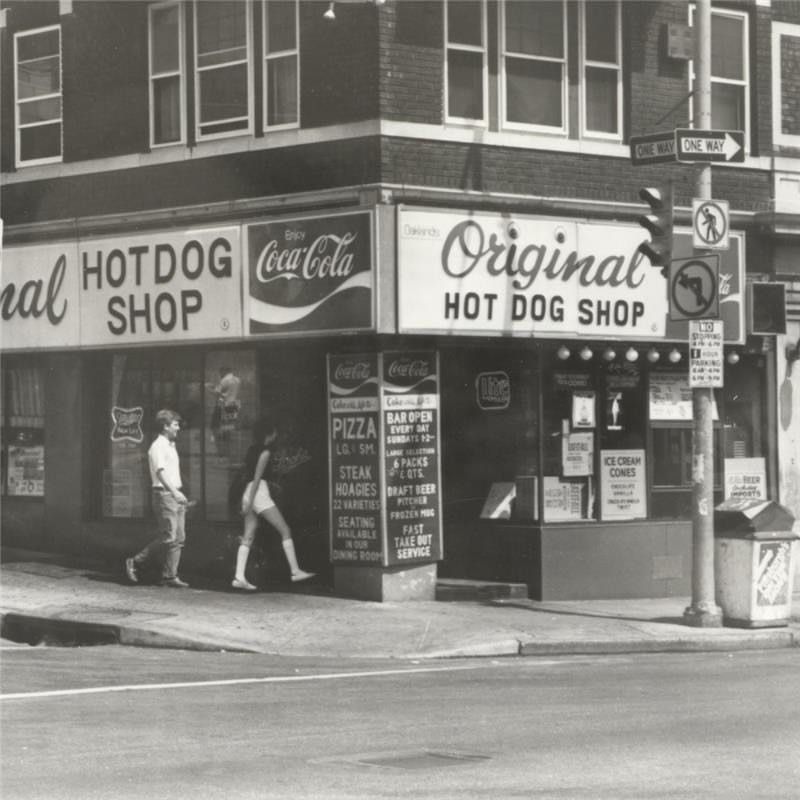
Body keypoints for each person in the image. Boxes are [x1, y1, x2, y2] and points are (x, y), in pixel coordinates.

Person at [232, 416, 315, 590]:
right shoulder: (265, 452)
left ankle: (239, 577)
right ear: (269, 434)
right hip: (258, 492)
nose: (277, 435)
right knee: (285, 529)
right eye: (275, 432)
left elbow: (248, 476)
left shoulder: (251, 450)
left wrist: (246, 501)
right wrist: (251, 501)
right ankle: (295, 570)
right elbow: (257, 478)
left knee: (248, 535)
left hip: (248, 492)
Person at [125, 409, 190, 588]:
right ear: (165, 426)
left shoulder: (170, 445)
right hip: (165, 495)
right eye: (175, 425)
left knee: (179, 537)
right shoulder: (158, 446)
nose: (178, 428)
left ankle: (170, 576)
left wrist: (180, 490)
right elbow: (160, 473)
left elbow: (171, 472)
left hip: (174, 494)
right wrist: (175, 493)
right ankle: (135, 561)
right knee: (169, 536)